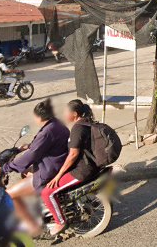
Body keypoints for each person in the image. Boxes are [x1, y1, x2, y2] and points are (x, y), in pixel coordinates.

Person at [0, 99, 70, 237]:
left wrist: (5, 168)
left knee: (10, 195)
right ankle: (39, 209)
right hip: (56, 162)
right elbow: (41, 146)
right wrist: (29, 145)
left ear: (39, 117)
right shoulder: (56, 124)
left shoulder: (47, 131)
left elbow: (31, 156)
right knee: (24, 172)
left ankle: (34, 228)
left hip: (49, 170)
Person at [43, 99, 100, 239]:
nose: (64, 114)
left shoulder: (77, 128)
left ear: (74, 114)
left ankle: (60, 222)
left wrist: (58, 175)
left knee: (47, 193)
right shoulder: (85, 123)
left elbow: (73, 154)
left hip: (81, 170)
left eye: (66, 112)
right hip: (86, 165)